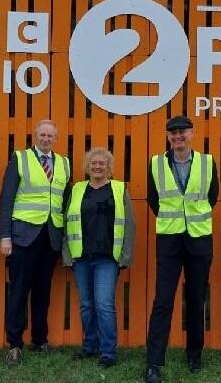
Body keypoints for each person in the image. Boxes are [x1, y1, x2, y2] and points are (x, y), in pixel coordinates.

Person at [144, 116, 219, 383]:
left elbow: (212, 197)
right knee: (163, 301)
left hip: (199, 241)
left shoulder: (207, 162)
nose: (178, 137)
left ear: (192, 134)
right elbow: (154, 200)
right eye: (173, 133)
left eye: (182, 132)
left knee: (197, 299)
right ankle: (153, 362)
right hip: (169, 241)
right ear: (168, 137)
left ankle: (194, 355)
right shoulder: (155, 163)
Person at [0, 119, 71, 365]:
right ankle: (14, 344)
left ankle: (40, 340)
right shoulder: (20, 159)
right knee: (19, 291)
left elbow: (66, 202)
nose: (46, 139)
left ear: (56, 138)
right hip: (23, 236)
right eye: (42, 135)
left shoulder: (63, 163)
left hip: (50, 237)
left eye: (50, 136)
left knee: (43, 291)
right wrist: (5, 236)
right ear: (35, 136)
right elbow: (6, 199)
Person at [62, 148, 137, 368]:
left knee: (103, 303)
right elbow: (67, 221)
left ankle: (108, 352)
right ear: (87, 166)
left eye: (101, 163)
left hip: (108, 257)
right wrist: (67, 253)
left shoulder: (119, 188)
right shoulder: (77, 189)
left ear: (109, 167)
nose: (97, 166)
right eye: (93, 163)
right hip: (81, 256)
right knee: (86, 305)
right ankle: (90, 346)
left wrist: (126, 255)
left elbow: (130, 224)